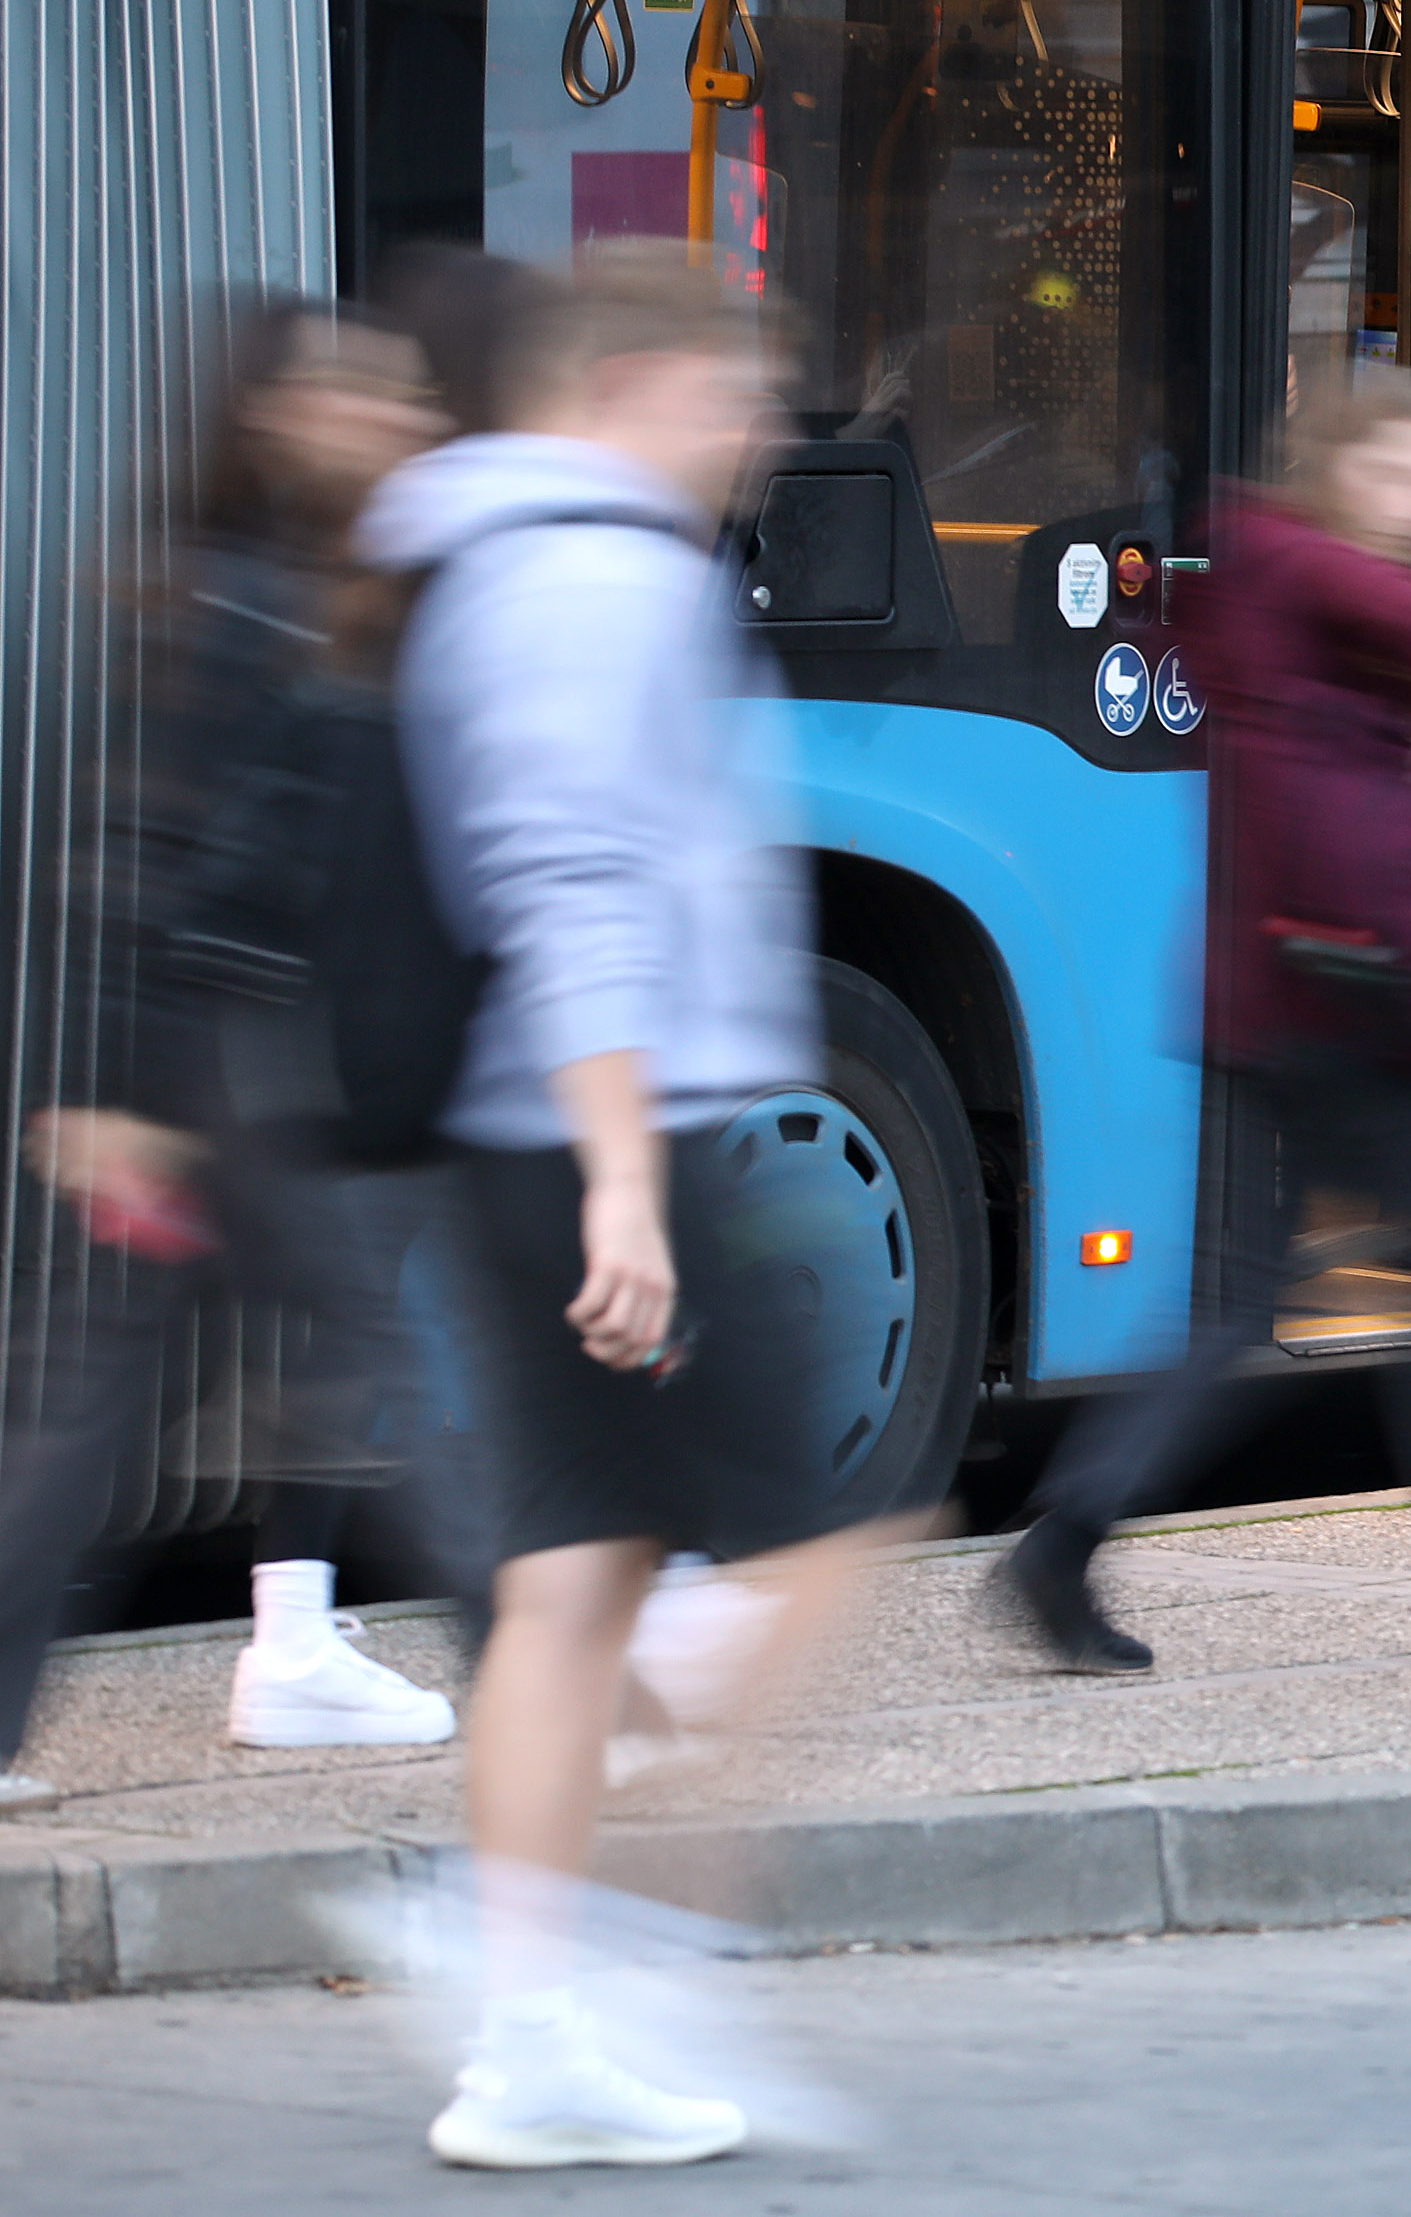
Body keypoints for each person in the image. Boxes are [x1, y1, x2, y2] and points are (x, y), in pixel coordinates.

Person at [360, 245, 911, 2167]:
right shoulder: (598, 574)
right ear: (635, 382)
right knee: (834, 1529)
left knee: (577, 1583)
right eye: (735, 389)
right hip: (612, 1133)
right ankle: (586, 1952)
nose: (760, 432)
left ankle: (532, 2017)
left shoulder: (496, 558)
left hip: (556, 1133)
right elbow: (571, 877)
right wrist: (624, 1185)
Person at [997, 369, 1411, 1680]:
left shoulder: (1270, 571)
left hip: (1276, 987)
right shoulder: (1325, 571)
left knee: (1236, 1309)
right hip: (1349, 995)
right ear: (1343, 464)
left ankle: (1061, 1541)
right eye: (1406, 472)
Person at [1, 299, 482, 1816]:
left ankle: (298, 1651)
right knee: (358, 1350)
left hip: (235, 1048)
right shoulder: (247, 600)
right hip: (236, 1053)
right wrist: (135, 1098)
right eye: (362, 400)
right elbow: (158, 855)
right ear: (276, 419)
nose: (397, 422)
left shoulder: (300, 588)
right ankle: (560, 1690)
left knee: (100, 1396)